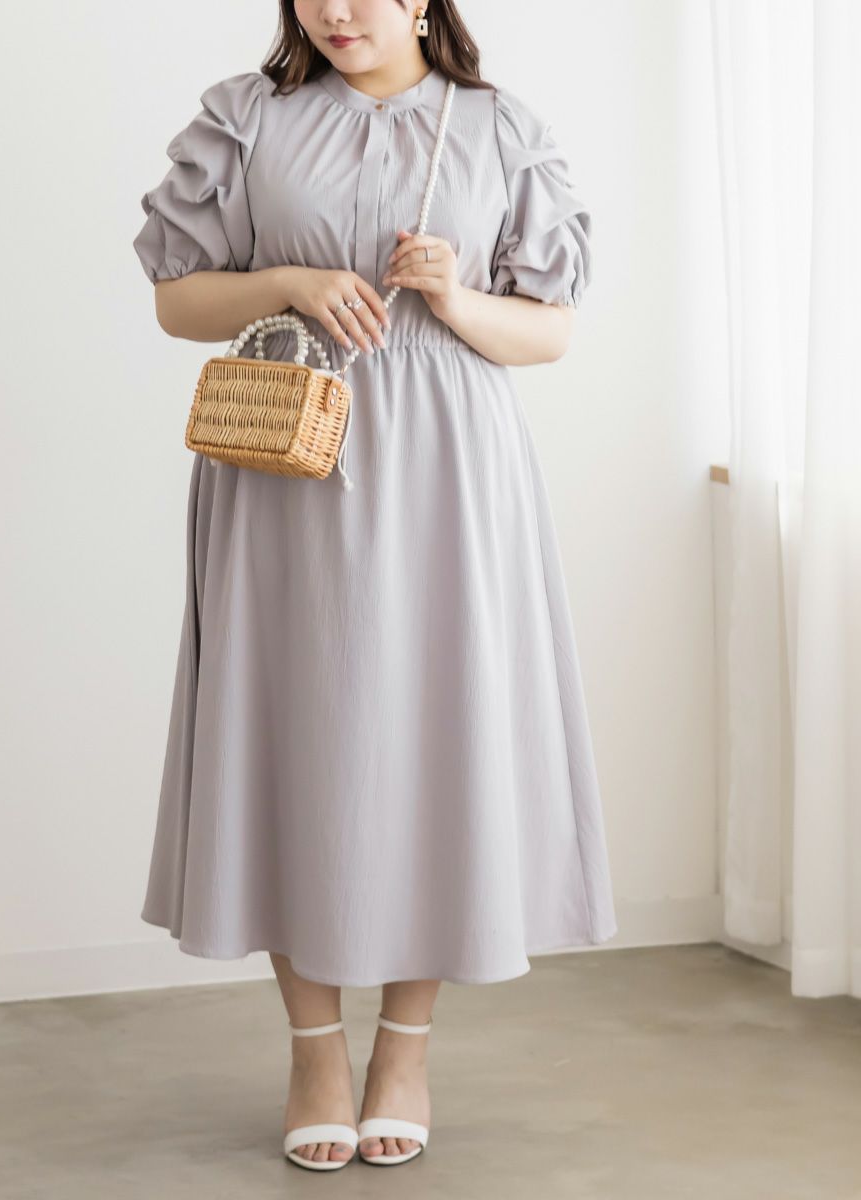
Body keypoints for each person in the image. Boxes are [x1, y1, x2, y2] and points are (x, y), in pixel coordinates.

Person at [132, 0, 617, 1172]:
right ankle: (313, 1051)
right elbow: (176, 301)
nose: (335, 11)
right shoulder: (246, 118)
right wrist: (291, 281)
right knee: (291, 739)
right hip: (288, 463)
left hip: (449, 470)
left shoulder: (499, 127)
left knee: (432, 741)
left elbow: (550, 333)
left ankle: (404, 1048)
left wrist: (452, 298)